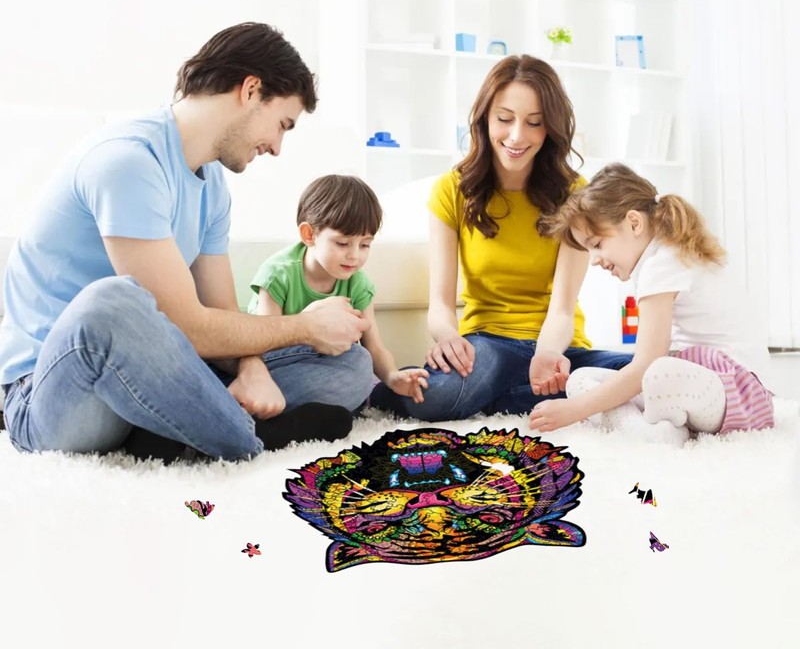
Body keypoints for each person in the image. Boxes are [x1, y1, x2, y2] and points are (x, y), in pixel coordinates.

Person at [0, 22, 373, 463]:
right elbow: (187, 325)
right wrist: (305, 326)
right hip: (53, 392)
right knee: (113, 302)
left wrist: (252, 369)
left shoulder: (212, 184)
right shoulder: (128, 162)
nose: (276, 147)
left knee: (351, 366)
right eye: (282, 125)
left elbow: (221, 313)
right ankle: (248, 436)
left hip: (149, 380)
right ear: (251, 90)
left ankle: (172, 430)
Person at [370, 55, 632, 421]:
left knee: (644, 371)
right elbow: (440, 305)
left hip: (558, 348)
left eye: (534, 123)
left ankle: (505, 397)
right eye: (504, 119)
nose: (517, 136)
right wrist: (448, 339)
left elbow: (562, 309)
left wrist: (547, 355)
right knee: (437, 396)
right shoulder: (452, 189)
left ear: (551, 127)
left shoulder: (575, 194)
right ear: (485, 119)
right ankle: (544, 395)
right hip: (486, 347)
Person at [529, 162, 774, 444]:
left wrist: (574, 410)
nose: (594, 260)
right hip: (700, 383)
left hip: (740, 392)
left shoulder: (662, 263)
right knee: (581, 379)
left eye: (596, 244)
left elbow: (646, 364)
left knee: (655, 373)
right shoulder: (659, 258)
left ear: (634, 223)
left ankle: (653, 429)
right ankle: (657, 431)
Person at [246, 174, 428, 410]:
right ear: (309, 235)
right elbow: (263, 345)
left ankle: (293, 411)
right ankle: (274, 405)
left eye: (365, 244)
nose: (354, 255)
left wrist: (393, 377)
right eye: (343, 243)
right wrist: (307, 322)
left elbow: (374, 347)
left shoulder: (358, 283)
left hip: (321, 368)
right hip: (272, 364)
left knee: (359, 361)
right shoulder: (277, 274)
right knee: (355, 371)